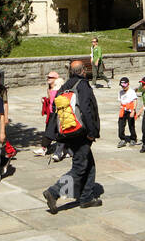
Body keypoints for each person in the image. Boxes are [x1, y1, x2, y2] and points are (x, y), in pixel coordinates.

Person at [42, 59, 101, 213]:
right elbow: (87, 110)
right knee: (79, 167)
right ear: (83, 71)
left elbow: (55, 106)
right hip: (81, 133)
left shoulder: (65, 86)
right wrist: (91, 132)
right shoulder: (83, 86)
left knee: (89, 164)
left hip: (68, 132)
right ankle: (53, 192)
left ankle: (86, 197)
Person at [34, 70, 61, 157]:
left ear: (56, 79)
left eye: (51, 77)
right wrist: (45, 100)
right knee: (52, 130)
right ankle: (48, 148)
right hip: (51, 113)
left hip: (57, 113)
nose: (48, 79)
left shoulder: (59, 89)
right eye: (48, 77)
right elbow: (50, 100)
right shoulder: (49, 89)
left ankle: (43, 148)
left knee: (50, 131)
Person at [116, 77, 139, 147]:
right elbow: (121, 101)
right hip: (123, 110)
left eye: (124, 86)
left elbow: (135, 101)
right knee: (120, 125)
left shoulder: (132, 92)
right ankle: (122, 139)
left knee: (131, 125)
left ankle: (133, 138)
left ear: (128, 84)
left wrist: (133, 111)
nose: (123, 87)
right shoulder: (120, 92)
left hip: (130, 110)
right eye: (122, 86)